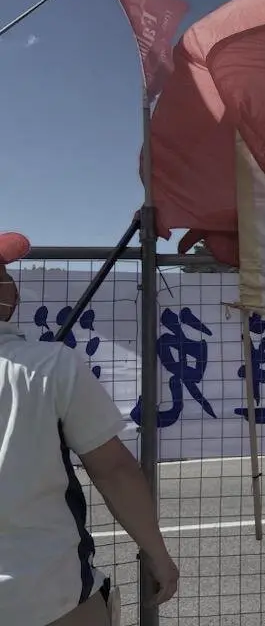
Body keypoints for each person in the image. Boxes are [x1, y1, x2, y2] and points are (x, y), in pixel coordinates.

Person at [0, 232, 179, 625]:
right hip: (48, 594)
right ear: (7, 298)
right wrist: (155, 552)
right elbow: (113, 468)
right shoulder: (50, 366)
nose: (9, 282)